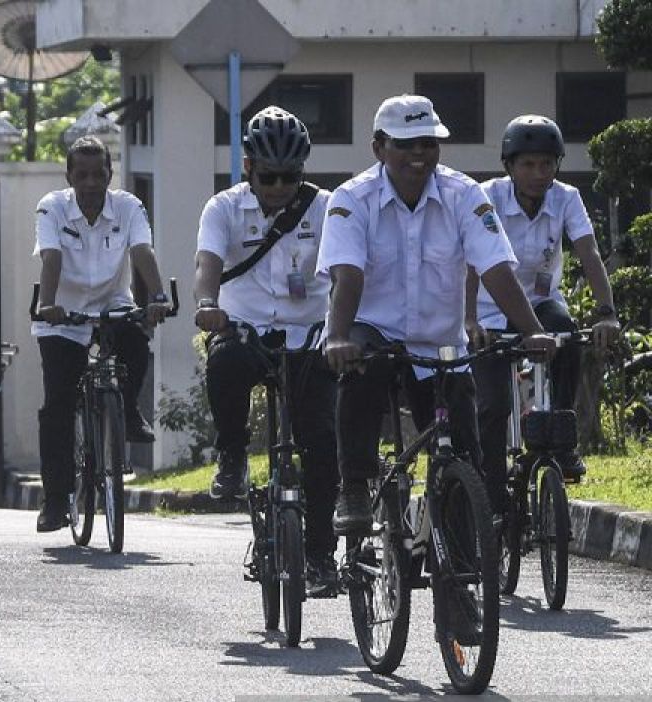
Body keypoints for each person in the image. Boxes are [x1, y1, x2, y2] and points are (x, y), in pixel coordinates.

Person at [318, 95, 556, 535]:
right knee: (361, 374)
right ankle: (353, 486)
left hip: (440, 341)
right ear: (379, 148)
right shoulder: (351, 199)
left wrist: (533, 331)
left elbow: (496, 269)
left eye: (427, 143)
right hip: (374, 330)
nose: (419, 154)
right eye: (405, 144)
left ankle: (461, 557)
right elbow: (347, 275)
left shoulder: (464, 195)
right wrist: (337, 337)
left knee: (463, 450)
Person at [194, 106, 340, 596]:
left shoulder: (326, 209)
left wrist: (345, 326)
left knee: (322, 442)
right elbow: (207, 263)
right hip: (246, 330)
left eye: (290, 177)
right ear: (248, 167)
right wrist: (208, 304)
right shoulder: (222, 209)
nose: (279, 187)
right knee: (224, 361)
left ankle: (320, 555)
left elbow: (348, 269)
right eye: (269, 176)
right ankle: (232, 455)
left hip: (309, 335)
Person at [468, 115, 620, 512]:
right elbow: (468, 262)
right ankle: (492, 492)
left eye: (547, 164)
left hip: (540, 303)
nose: (539, 174)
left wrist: (606, 313)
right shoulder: (486, 197)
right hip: (489, 309)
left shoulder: (566, 197)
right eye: (528, 164)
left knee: (565, 334)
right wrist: (468, 320)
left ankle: (562, 438)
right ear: (509, 166)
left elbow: (589, 254)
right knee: (493, 405)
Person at [32, 135, 173, 532]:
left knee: (137, 344)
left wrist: (157, 297)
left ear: (111, 175)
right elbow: (52, 257)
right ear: (69, 177)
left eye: (99, 175)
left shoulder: (129, 207)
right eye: (82, 175)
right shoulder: (51, 207)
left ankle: (126, 409)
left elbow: (142, 252)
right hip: (62, 313)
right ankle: (55, 500)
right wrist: (48, 304)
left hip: (113, 303)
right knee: (58, 405)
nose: (91, 183)